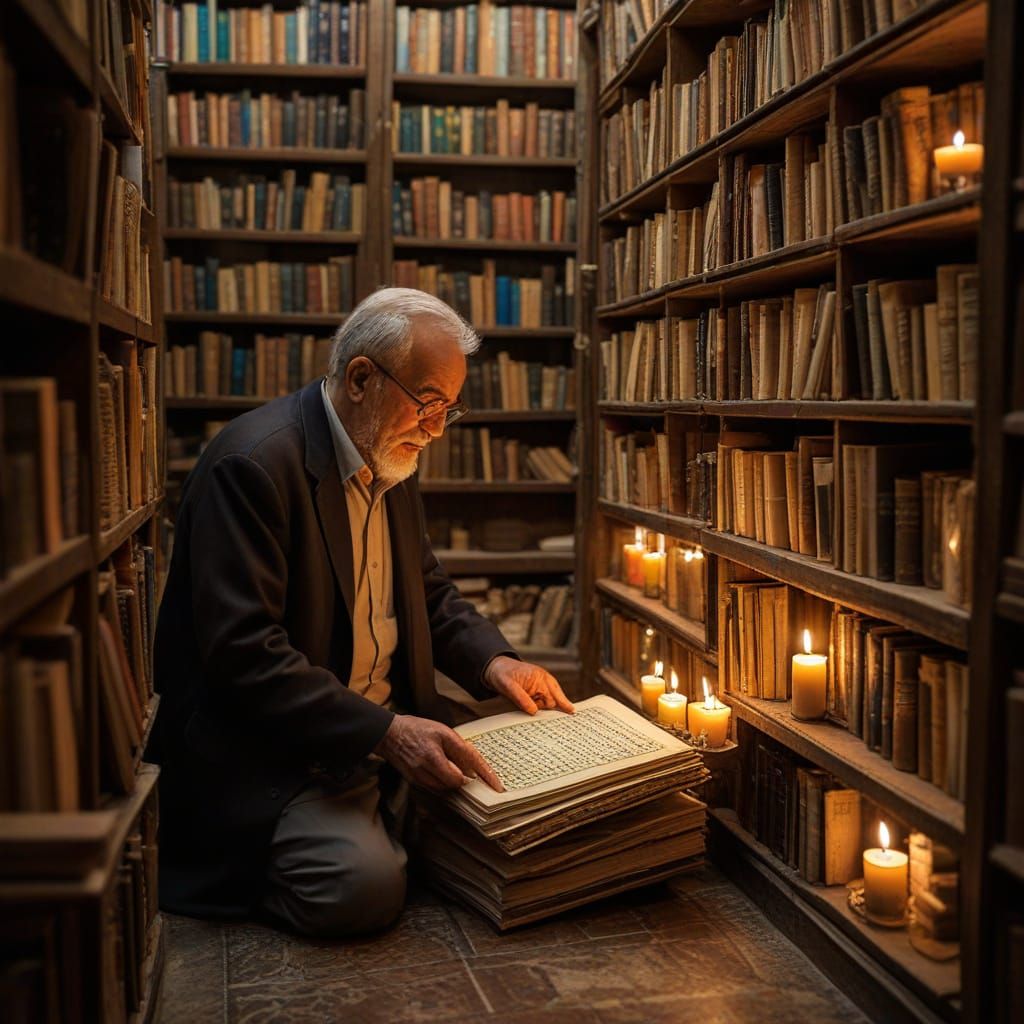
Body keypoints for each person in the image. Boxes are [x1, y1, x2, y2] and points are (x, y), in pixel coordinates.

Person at [149, 287, 574, 937]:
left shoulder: (389, 456)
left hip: (384, 727)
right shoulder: (252, 467)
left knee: (549, 820)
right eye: (429, 403)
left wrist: (498, 664)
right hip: (288, 754)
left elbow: (429, 594)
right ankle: (352, 832)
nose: (436, 429)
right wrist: (386, 734)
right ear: (360, 378)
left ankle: (390, 817)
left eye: (448, 410)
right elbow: (246, 658)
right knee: (362, 891)